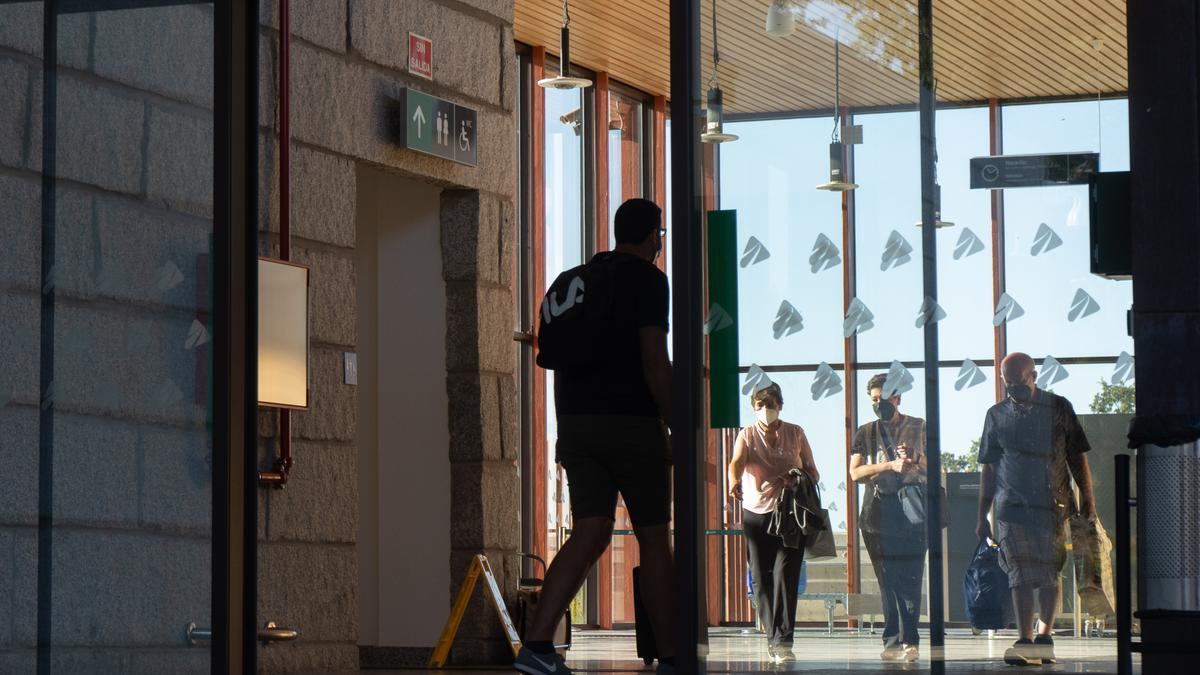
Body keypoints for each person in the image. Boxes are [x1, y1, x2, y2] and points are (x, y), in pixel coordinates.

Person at [515, 198, 675, 675]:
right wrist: (676, 425)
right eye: (660, 237)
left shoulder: (569, 283)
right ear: (652, 237)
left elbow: (556, 365)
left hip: (579, 426)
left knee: (591, 529)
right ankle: (670, 655)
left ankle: (537, 646)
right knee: (653, 538)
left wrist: (567, 433)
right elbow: (653, 360)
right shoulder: (649, 280)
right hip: (632, 424)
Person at [975, 352, 1096, 666]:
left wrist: (1089, 502)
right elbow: (988, 467)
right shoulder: (996, 415)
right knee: (1019, 573)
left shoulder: (1058, 408)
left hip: (1052, 505)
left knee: (1047, 572)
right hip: (1011, 507)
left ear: (1034, 376)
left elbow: (1077, 459)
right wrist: (982, 515)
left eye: (1020, 380)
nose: (1014, 387)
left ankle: (1044, 637)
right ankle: (1026, 639)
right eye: (1008, 382)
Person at [726, 382, 819, 663]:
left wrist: (797, 478)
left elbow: (813, 471)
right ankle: (772, 635)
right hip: (757, 514)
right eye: (759, 406)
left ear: (780, 405)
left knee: (786, 577)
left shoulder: (795, 433)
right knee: (761, 578)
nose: (765, 410)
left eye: (770, 405)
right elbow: (736, 463)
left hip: (790, 514)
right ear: (753, 408)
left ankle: (783, 642)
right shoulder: (748, 434)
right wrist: (733, 481)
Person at [849, 373, 927, 662]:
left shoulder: (919, 426)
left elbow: (934, 468)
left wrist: (915, 458)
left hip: (913, 511)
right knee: (887, 579)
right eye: (873, 400)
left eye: (883, 399)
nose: (878, 404)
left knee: (911, 576)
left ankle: (911, 640)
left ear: (898, 398)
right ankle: (892, 640)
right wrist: (888, 465)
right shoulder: (866, 432)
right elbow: (855, 472)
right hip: (877, 513)